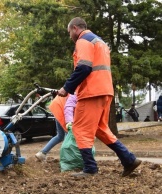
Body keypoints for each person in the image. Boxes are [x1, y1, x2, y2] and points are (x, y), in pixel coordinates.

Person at [57, 17, 141, 178]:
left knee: (79, 129)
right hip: (105, 92)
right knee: (100, 129)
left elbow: (83, 67)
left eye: (69, 33)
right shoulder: (100, 42)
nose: (70, 36)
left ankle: (90, 168)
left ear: (75, 28)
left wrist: (66, 88)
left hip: (91, 93)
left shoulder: (83, 41)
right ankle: (129, 160)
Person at [35, 94, 77, 161]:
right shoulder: (79, 91)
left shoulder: (72, 87)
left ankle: (42, 153)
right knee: (68, 136)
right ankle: (66, 159)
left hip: (57, 109)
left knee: (60, 136)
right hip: (64, 112)